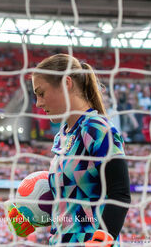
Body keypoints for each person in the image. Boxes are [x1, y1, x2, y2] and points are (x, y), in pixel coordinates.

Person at [8, 54, 131, 246]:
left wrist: (104, 237)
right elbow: (72, 201)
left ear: (66, 83)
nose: (38, 103)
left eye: (41, 93)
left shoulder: (96, 128)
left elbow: (120, 192)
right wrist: (29, 214)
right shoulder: (62, 135)